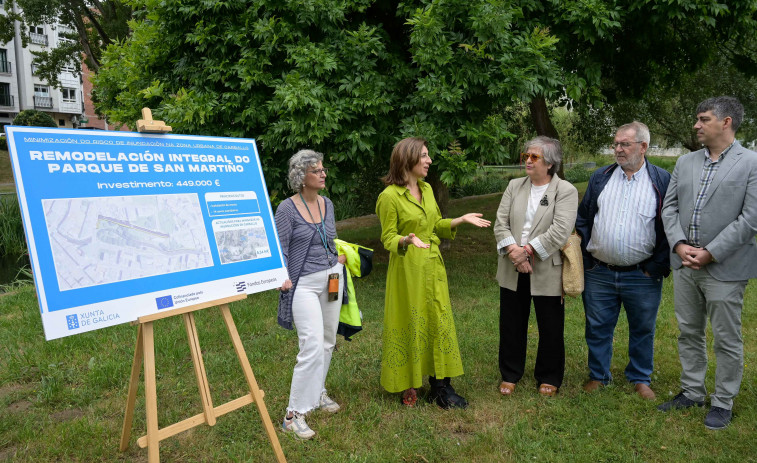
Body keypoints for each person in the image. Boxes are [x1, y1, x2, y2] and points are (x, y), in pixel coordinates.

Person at [659, 96, 757, 430]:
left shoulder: (752, 163)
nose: (696, 125)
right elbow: (668, 208)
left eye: (703, 119)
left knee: (726, 338)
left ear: (726, 122)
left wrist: (711, 251)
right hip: (685, 264)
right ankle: (691, 392)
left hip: (724, 268)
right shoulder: (685, 163)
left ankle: (723, 401)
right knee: (689, 331)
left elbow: (751, 218)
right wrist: (678, 243)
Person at [376, 137, 491, 409]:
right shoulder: (389, 197)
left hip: (433, 267)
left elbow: (435, 224)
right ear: (408, 159)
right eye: (424, 155)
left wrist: (459, 220)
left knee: (438, 322)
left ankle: (442, 386)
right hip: (408, 272)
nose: (429, 161)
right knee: (412, 323)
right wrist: (406, 240)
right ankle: (409, 381)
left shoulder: (427, 189)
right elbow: (387, 238)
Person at [575, 121, 671, 400]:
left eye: (624, 144)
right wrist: (586, 259)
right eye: (616, 143)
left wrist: (655, 267)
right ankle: (598, 375)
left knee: (643, 327)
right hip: (599, 271)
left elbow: (669, 226)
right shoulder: (600, 177)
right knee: (597, 326)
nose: (617, 149)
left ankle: (640, 378)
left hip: (641, 274)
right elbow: (584, 219)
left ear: (643, 147)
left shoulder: (662, 180)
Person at [494, 136, 578, 397]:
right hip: (512, 266)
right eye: (526, 156)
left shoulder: (565, 191)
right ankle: (510, 374)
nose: (528, 161)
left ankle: (549, 375)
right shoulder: (514, 186)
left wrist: (527, 252)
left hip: (546, 267)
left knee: (550, 325)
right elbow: (500, 224)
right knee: (511, 323)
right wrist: (514, 253)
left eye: (534, 157)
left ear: (550, 163)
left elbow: (561, 231)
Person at [275, 149, 347, 439]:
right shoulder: (287, 209)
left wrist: (338, 260)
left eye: (323, 169)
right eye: (316, 170)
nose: (323, 173)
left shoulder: (327, 204)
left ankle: (317, 393)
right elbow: (280, 248)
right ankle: (293, 415)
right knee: (312, 345)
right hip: (302, 284)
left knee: (328, 340)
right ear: (301, 176)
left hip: (332, 278)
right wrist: (281, 275)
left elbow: (330, 238)